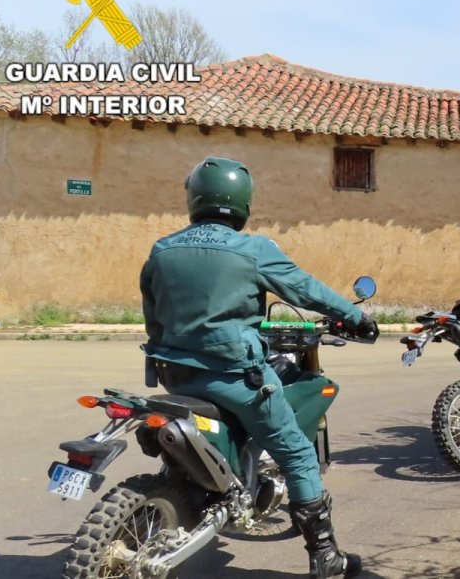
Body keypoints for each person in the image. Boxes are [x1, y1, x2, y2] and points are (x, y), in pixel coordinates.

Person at [140, 156, 376, 578]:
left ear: (194, 197)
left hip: (173, 375)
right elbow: (305, 290)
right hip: (235, 377)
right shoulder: (252, 249)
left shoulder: (163, 249)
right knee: (298, 454)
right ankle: (326, 558)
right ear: (243, 200)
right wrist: (356, 316)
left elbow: (154, 317)